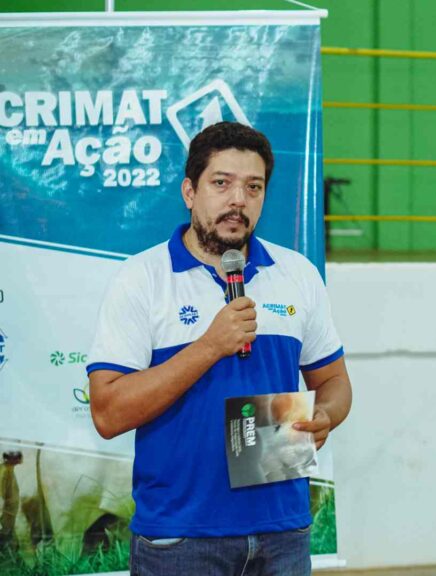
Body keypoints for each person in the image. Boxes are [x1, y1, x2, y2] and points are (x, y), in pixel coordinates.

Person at [86, 121, 352, 576]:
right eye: (222, 183)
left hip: (284, 533)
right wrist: (209, 346)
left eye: (253, 187)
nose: (238, 200)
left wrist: (326, 414)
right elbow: (108, 414)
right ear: (190, 192)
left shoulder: (297, 274)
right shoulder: (142, 279)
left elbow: (334, 381)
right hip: (180, 538)